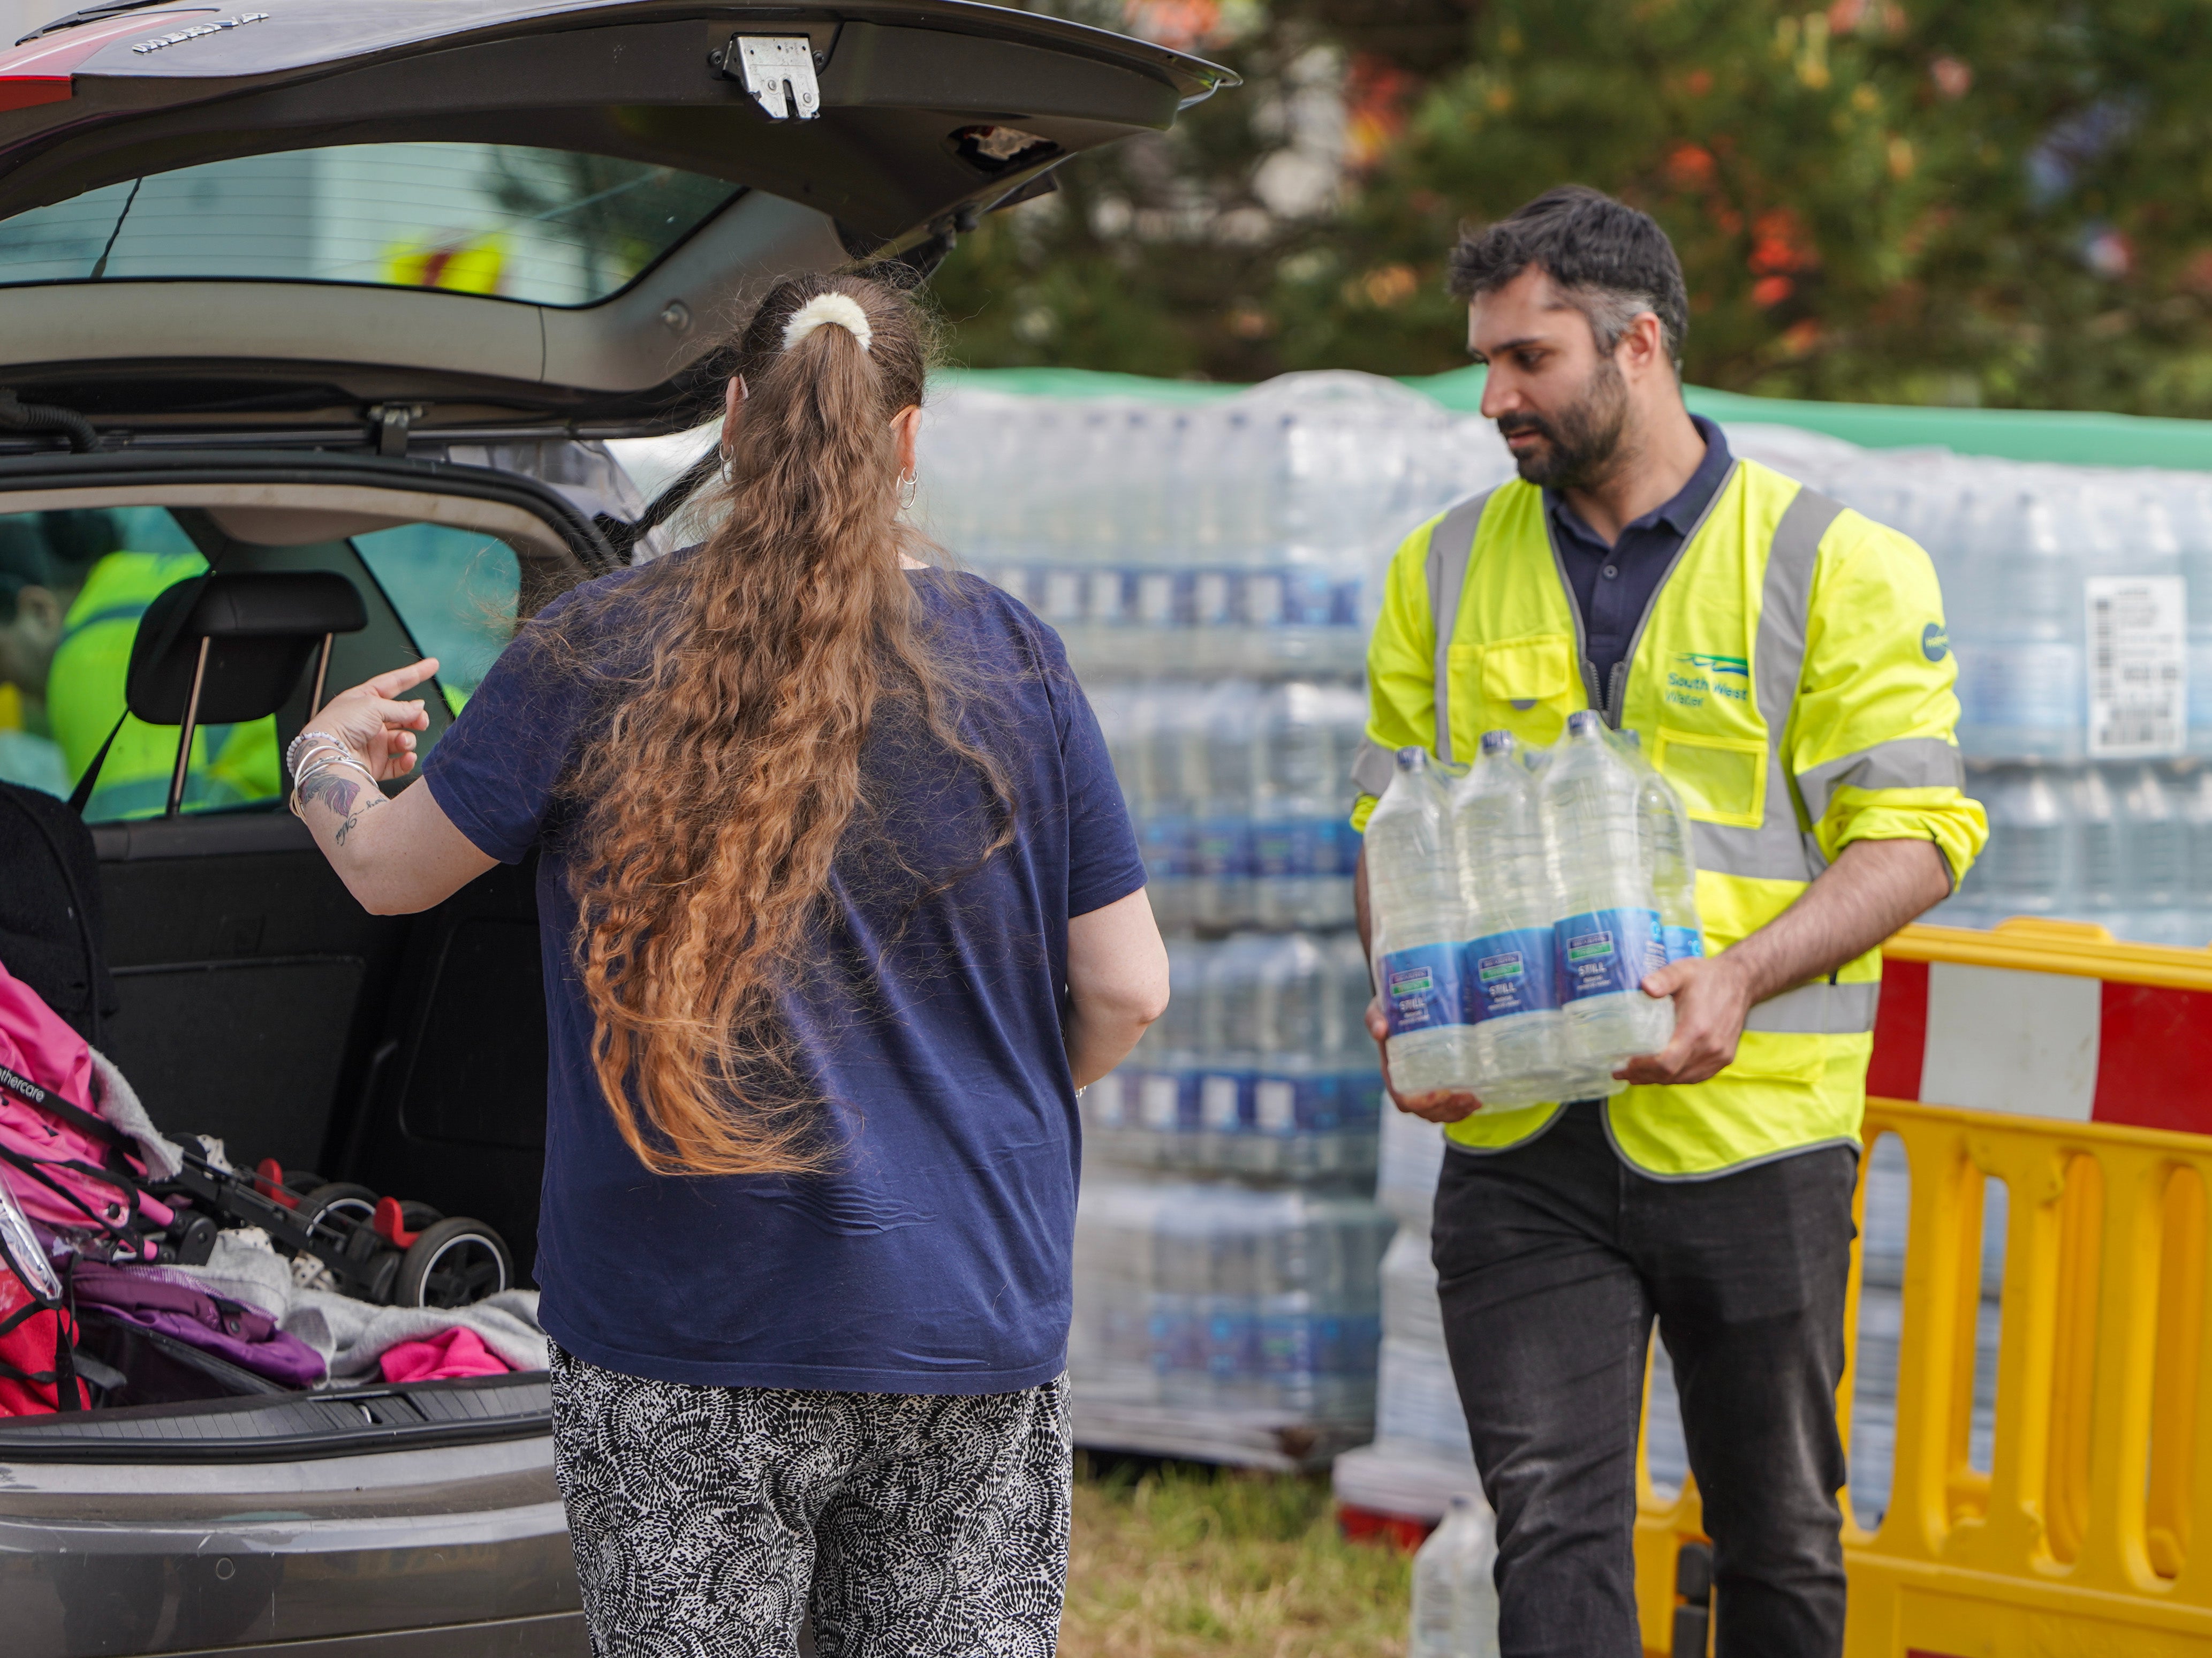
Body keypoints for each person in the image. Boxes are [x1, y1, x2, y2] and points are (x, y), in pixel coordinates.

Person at [277, 272, 1171, 1655]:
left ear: (737, 416)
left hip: (683, 1326)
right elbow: (1127, 987)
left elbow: (389, 871)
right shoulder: (1016, 663)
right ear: (909, 436)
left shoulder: (594, 646)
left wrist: (322, 757)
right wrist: (979, 1109)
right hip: (965, 1313)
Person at [1352, 186, 1987, 1657]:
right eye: (1485, 363)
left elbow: (1914, 834)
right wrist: (1398, 995)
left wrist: (1741, 977)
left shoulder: (1831, 563)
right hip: (1514, 1143)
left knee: (1773, 1531)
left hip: (1751, 1129)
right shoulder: (1437, 569)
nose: (1494, 396)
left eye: (1528, 358)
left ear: (1638, 343)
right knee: (1550, 1521)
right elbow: (1387, 826)